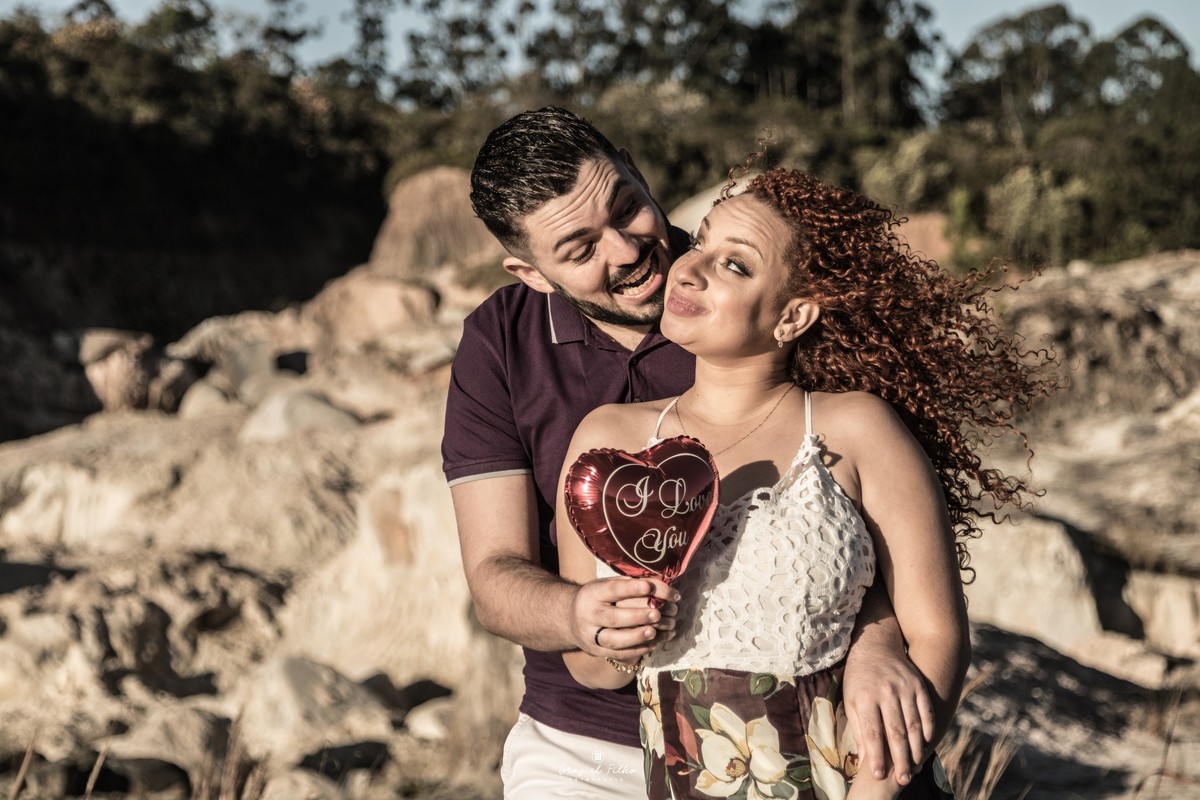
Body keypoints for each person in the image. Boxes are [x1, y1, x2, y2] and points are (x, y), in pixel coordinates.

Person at [444, 108, 939, 799]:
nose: (626, 251)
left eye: (626, 207)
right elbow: (495, 572)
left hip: (804, 733)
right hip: (581, 744)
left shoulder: (756, 295)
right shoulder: (501, 341)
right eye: (580, 250)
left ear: (635, 168)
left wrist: (877, 636)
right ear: (531, 273)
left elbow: (869, 521)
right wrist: (579, 616)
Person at [555, 165, 1056, 799]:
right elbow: (592, 670)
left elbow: (938, 636)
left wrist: (877, 787)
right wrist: (613, 632)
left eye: (734, 265)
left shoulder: (858, 428)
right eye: (700, 243)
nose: (688, 268)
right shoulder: (609, 440)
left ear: (793, 316)